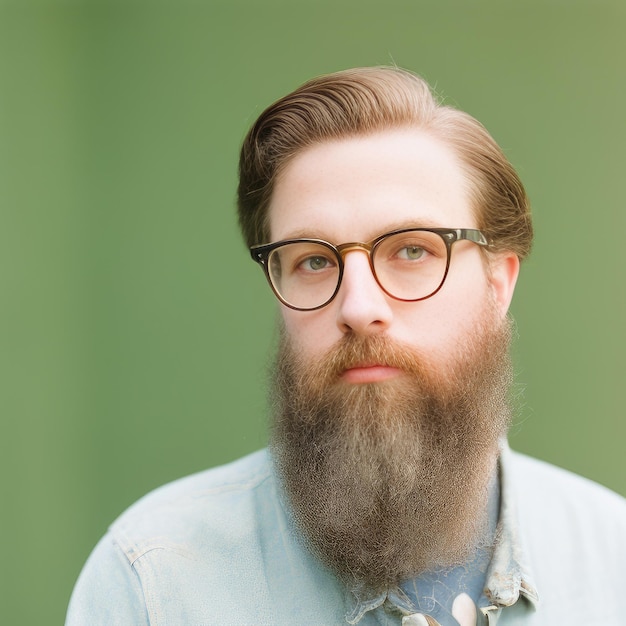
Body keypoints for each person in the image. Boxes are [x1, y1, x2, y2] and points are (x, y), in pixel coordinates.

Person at [66, 67, 626, 626]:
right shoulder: (156, 585)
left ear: (498, 282)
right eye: (314, 260)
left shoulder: (613, 563)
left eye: (412, 251)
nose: (358, 307)